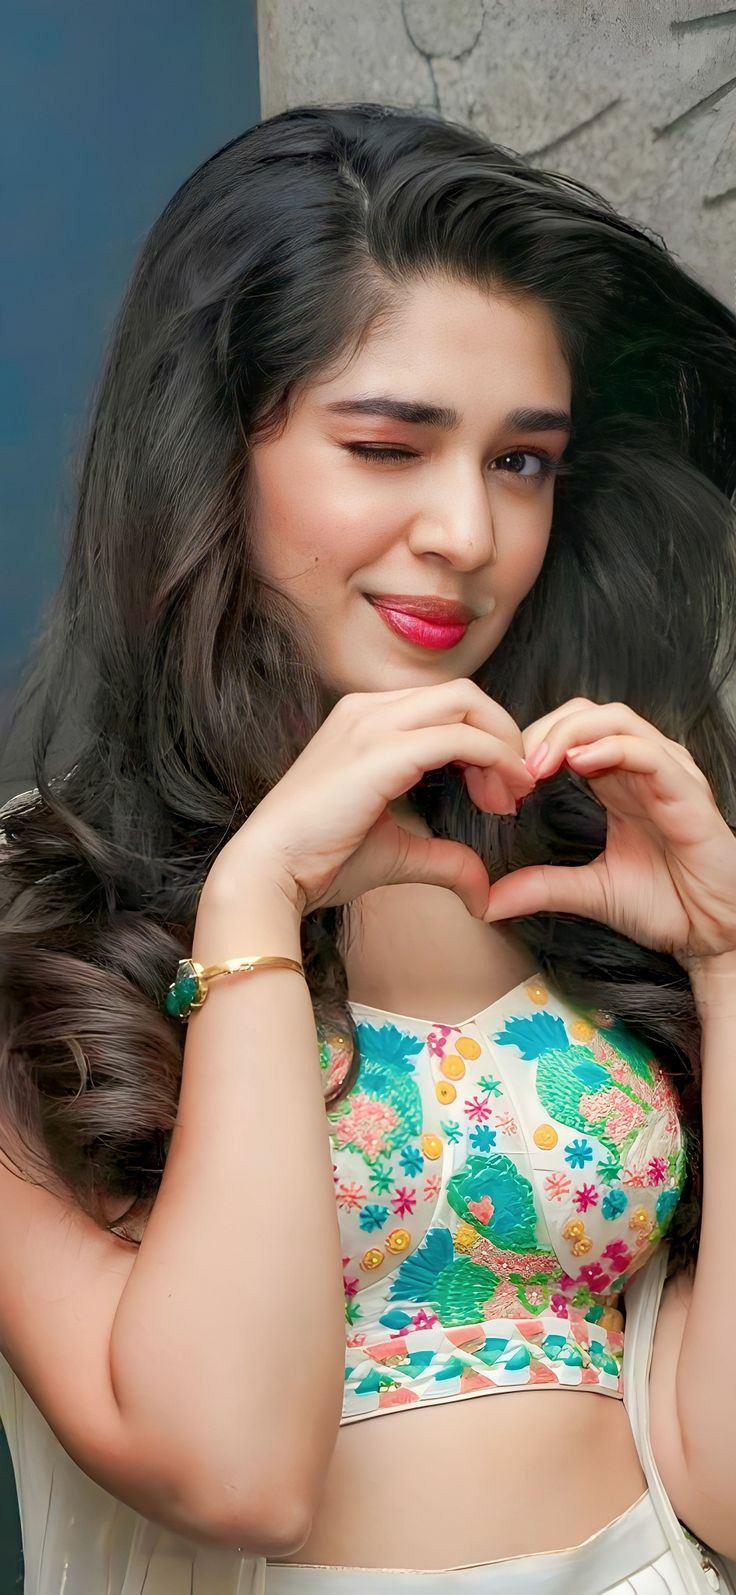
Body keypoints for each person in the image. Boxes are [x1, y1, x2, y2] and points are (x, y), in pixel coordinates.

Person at [1, 100, 736, 1595]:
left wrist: (728, 961)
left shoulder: (593, 861)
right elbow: (235, 1471)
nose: (467, 530)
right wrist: (255, 907)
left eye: (522, 462)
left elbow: (724, 1477)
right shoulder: (37, 922)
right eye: (388, 444)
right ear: (216, 452)